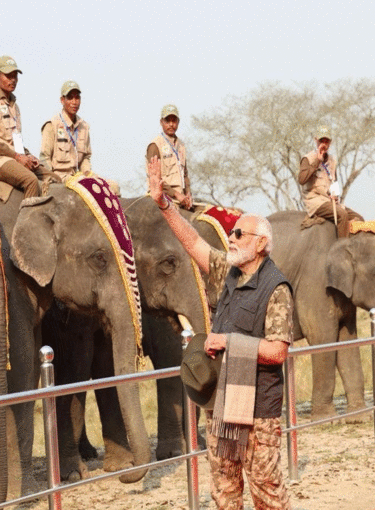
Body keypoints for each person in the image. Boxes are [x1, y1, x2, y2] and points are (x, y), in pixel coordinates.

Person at [147, 156, 292, 510]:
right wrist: (164, 204)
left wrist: (228, 342)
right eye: (232, 233)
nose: (232, 237)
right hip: (222, 405)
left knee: (267, 495)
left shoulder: (277, 288)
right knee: (225, 494)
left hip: (259, 411)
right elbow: (193, 243)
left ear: (260, 244)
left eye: (239, 233)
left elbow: (277, 352)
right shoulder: (227, 273)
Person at [0, 55, 43, 199]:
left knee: (49, 175)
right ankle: (27, 221)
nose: (13, 80)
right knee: (31, 180)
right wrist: (17, 157)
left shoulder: (14, 106)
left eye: (15, 76)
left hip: (15, 158)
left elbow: (16, 140)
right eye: (8, 76)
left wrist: (28, 155)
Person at [298, 125, 363, 238]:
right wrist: (317, 161)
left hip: (330, 201)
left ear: (330, 143)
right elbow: (301, 179)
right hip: (315, 201)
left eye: (326, 141)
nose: (323, 144)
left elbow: (334, 181)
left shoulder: (332, 161)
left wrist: (335, 195)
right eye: (321, 140)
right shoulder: (308, 158)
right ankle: (343, 251)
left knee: (359, 218)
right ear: (316, 140)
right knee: (342, 215)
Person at [39, 80, 91, 180]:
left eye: (77, 98)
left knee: (112, 186)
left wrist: (88, 174)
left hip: (78, 177)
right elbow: (45, 157)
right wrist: (51, 179)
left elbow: (86, 157)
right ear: (62, 100)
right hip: (59, 178)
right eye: (70, 98)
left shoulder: (84, 127)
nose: (74, 102)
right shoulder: (52, 125)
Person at [146, 104, 192, 210]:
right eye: (167, 121)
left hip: (180, 198)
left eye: (174, 121)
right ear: (161, 122)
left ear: (178, 122)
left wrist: (188, 193)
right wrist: (175, 194)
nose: (171, 124)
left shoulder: (181, 145)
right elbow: (155, 179)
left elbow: (185, 174)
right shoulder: (155, 145)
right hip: (162, 197)